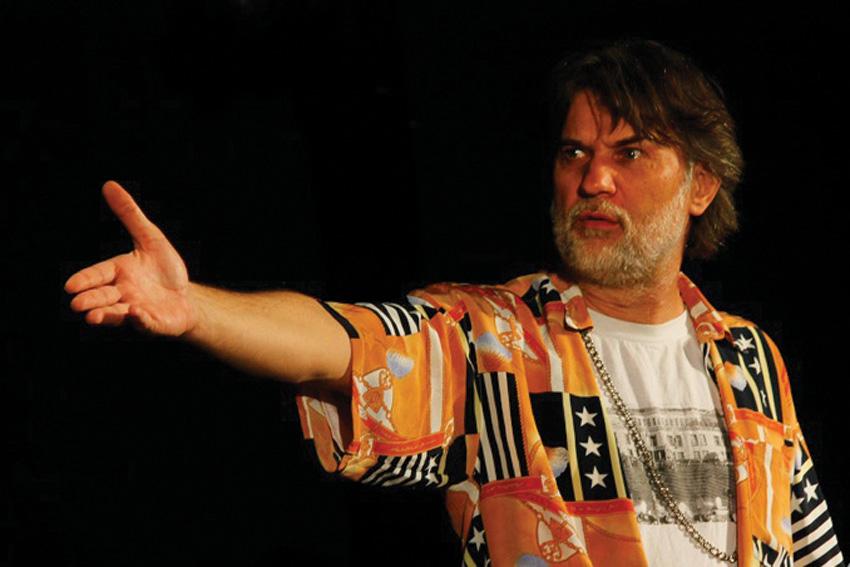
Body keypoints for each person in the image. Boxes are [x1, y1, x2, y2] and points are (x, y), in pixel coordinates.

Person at [64, 40, 843, 566]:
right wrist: (197, 309)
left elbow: (811, 548)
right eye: (575, 151)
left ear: (701, 185)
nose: (592, 178)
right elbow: (349, 342)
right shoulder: (496, 341)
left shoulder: (750, 357)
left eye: (629, 152)